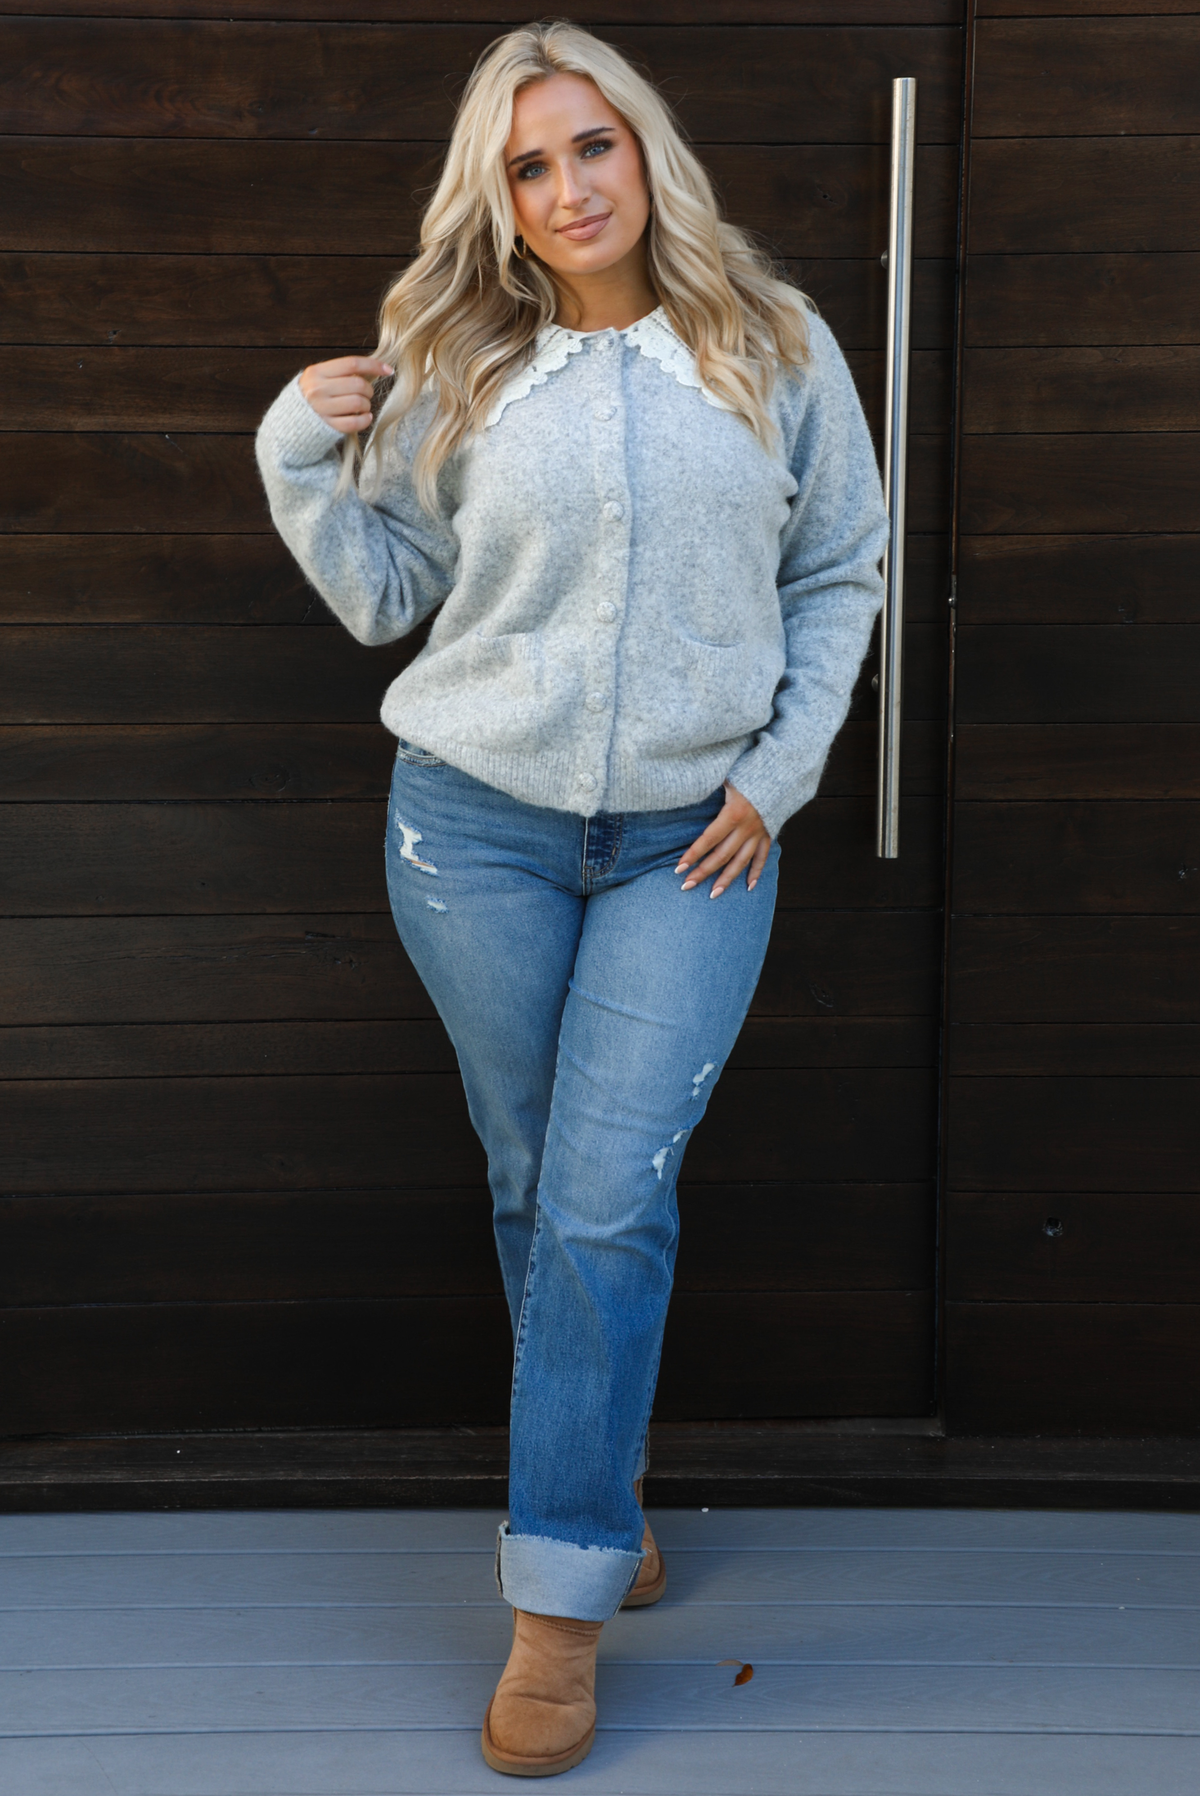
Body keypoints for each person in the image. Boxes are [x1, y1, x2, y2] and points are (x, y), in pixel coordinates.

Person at [256, 17, 887, 1778]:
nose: (566, 186)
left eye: (589, 146)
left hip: (699, 838)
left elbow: (841, 566)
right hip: (477, 828)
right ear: (500, 197)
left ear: (646, 151)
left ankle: (554, 1620)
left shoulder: (772, 344)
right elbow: (389, 594)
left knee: (610, 1194)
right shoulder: (450, 355)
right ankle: (595, 1493)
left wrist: (776, 777)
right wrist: (295, 460)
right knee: (541, 1183)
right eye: (529, 166)